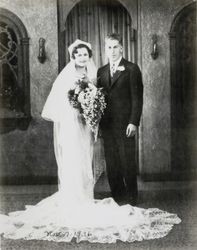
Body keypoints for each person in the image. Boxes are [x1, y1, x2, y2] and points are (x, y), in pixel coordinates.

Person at [0, 39, 181, 243]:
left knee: (113, 160)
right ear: (73, 57)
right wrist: (79, 110)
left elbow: (127, 97)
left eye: (85, 54)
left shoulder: (117, 70)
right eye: (79, 55)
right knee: (91, 161)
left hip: (107, 125)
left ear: (119, 49)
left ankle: (128, 198)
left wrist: (128, 120)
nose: (82, 57)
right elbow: (65, 102)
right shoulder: (87, 73)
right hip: (77, 126)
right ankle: (90, 197)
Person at [97, 33, 143, 205]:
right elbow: (99, 99)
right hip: (107, 125)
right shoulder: (101, 71)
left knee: (127, 161)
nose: (113, 50)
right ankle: (118, 196)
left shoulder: (132, 69)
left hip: (125, 124)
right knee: (112, 162)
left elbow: (137, 97)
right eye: (109, 47)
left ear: (121, 48)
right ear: (105, 50)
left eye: (116, 46)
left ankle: (132, 198)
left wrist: (134, 121)